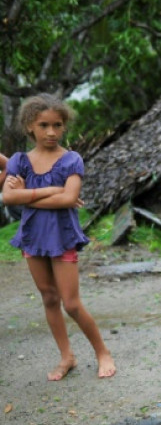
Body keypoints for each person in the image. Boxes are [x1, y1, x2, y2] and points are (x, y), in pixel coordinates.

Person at [2, 94, 116, 381]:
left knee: (72, 303)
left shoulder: (70, 160)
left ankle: (102, 352)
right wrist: (50, 192)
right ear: (30, 126)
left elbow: (69, 198)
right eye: (44, 125)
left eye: (57, 125)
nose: (51, 132)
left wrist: (28, 196)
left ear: (64, 126)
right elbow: (8, 197)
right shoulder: (20, 161)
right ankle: (67, 357)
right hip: (32, 237)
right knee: (49, 297)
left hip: (62, 236)